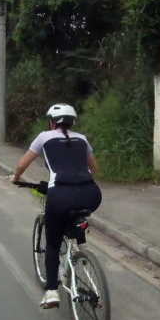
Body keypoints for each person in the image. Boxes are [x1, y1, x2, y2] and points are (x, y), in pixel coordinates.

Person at [10, 104, 102, 309]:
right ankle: (79, 241)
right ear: (73, 123)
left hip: (60, 194)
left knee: (52, 242)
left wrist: (15, 178)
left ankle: (52, 291)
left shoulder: (44, 137)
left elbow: (22, 165)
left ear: (52, 122)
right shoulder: (82, 139)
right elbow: (94, 168)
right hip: (92, 194)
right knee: (74, 217)